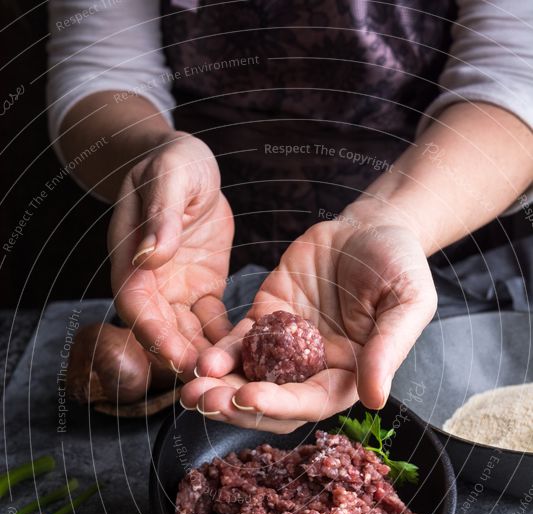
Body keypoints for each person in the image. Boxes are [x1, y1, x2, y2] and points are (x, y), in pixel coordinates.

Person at [47, 1, 533, 432]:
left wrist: (390, 220)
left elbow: (514, 76)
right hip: (199, 263)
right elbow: (100, 73)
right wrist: (154, 154)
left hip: (441, 235)